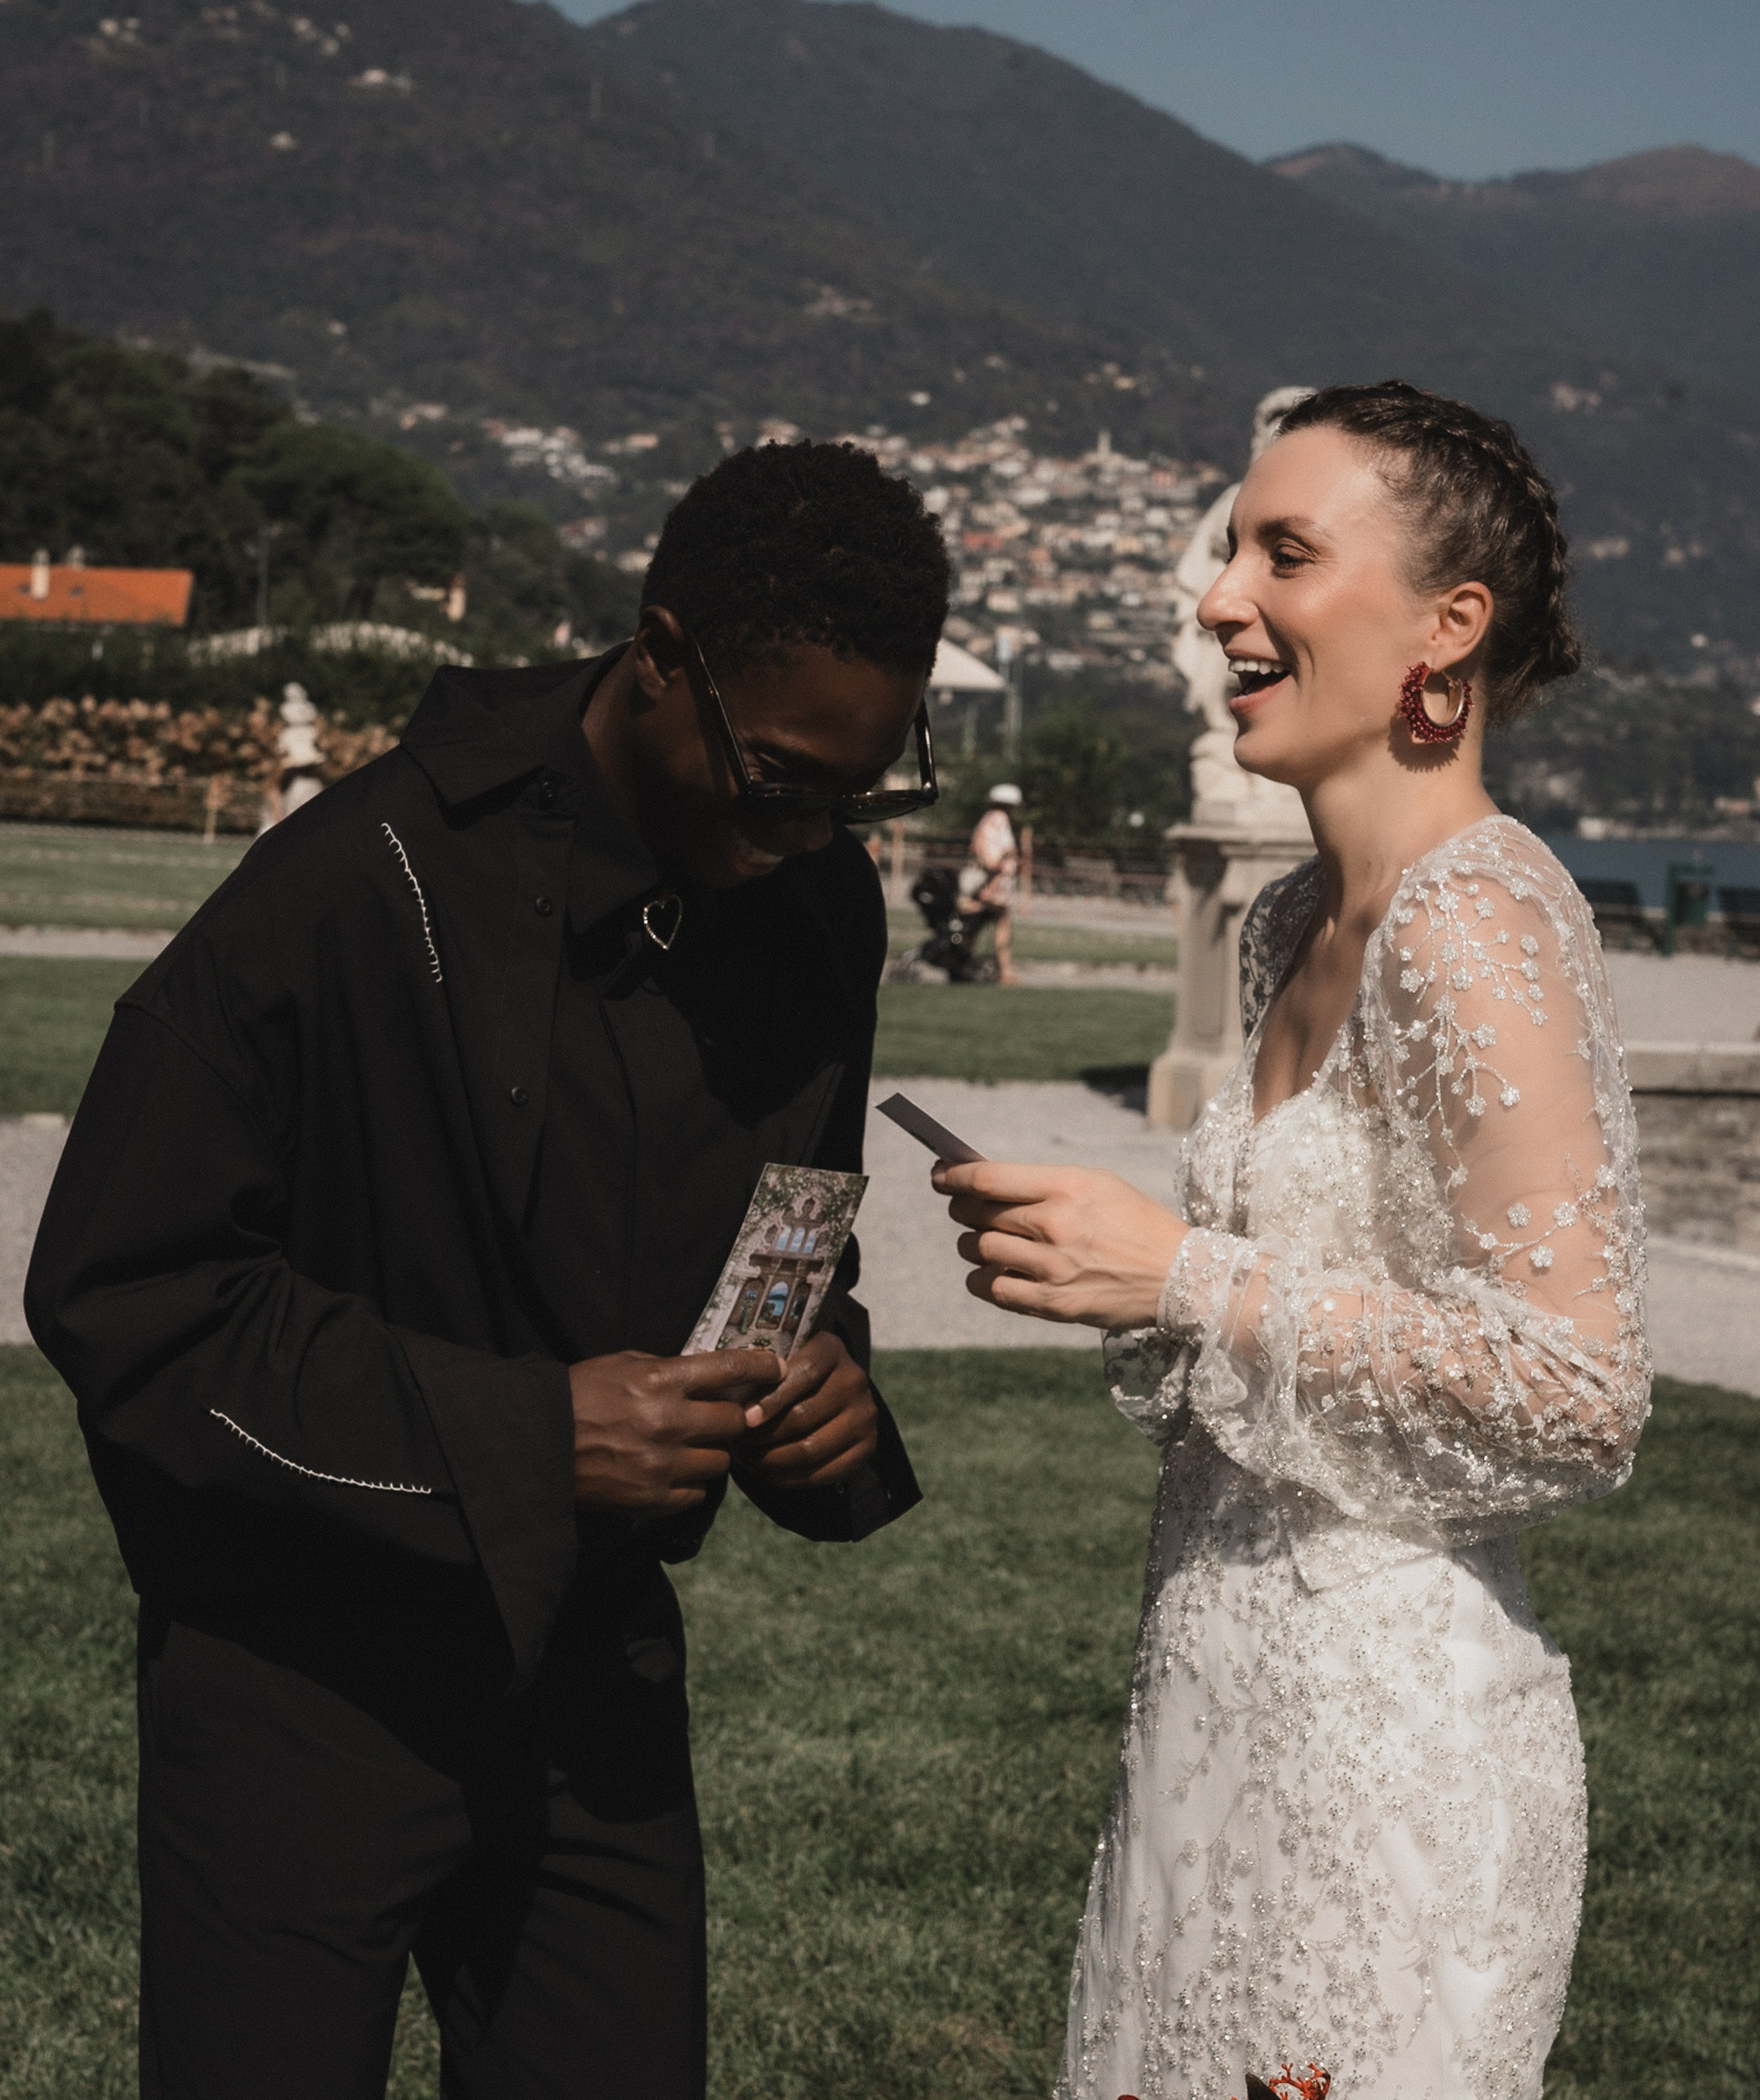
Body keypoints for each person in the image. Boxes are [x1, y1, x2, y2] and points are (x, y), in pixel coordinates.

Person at [26, 439, 949, 2099]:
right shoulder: (356, 881)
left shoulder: (817, 909)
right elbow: (128, 1299)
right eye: (778, 779)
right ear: (660, 656)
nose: (813, 830)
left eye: (861, 792)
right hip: (299, 1683)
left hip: (596, 1685)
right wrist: (532, 1439)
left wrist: (824, 1382)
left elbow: (792, 1232)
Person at [934, 382, 1651, 2099]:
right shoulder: (1285, 923)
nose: (1216, 599)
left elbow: (1575, 1391)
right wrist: (1110, 1271)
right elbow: (1295, 1314)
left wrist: (1185, 1272)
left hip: (1386, 1774)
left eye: (1282, 554)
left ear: (1443, 628)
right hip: (1208, 1712)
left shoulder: (1474, 921)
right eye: (1228, 551)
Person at [964, 780, 1022, 983]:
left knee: (976, 923)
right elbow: (990, 854)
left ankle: (962, 962)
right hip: (991, 884)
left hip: (991, 884)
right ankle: (1005, 971)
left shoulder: (988, 819)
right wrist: (1006, 858)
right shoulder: (998, 820)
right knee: (999, 924)